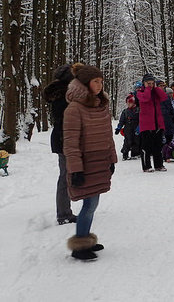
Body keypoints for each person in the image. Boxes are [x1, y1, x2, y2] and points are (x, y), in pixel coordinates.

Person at [63, 63, 117, 260]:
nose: (100, 85)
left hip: (99, 161)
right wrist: (75, 169)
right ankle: (80, 245)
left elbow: (108, 135)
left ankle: (85, 238)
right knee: (89, 204)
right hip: (85, 164)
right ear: (85, 83)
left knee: (93, 203)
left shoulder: (101, 105)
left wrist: (111, 159)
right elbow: (70, 142)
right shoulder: (74, 109)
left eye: (101, 81)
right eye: (96, 81)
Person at [43, 64, 77, 225]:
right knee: (65, 175)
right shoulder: (64, 95)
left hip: (64, 137)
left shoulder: (62, 93)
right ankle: (63, 213)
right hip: (64, 138)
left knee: (67, 174)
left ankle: (65, 210)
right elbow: (65, 119)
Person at [137, 73, 168, 172]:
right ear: (144, 83)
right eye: (148, 83)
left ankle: (159, 165)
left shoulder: (156, 92)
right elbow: (146, 98)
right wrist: (147, 89)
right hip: (146, 125)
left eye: (152, 83)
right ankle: (146, 166)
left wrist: (156, 88)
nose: (150, 85)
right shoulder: (140, 92)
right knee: (146, 147)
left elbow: (164, 97)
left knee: (158, 146)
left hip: (158, 124)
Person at [115, 95, 140, 160]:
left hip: (136, 128)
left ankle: (134, 154)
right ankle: (125, 154)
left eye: (130, 103)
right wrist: (119, 128)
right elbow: (121, 121)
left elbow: (141, 120)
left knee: (136, 141)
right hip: (128, 129)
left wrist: (139, 128)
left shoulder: (138, 110)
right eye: (127, 103)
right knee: (127, 142)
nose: (128, 104)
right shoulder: (125, 111)